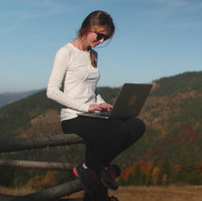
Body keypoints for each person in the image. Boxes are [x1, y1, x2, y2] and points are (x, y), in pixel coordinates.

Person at [46, 10, 146, 200]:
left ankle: (98, 165)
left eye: (105, 38)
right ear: (87, 28)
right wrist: (86, 108)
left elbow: (92, 90)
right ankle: (86, 167)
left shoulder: (94, 55)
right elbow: (51, 91)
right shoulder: (65, 52)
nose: (101, 41)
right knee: (117, 129)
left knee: (136, 125)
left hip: (92, 114)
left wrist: (102, 104)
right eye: (99, 35)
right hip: (74, 117)